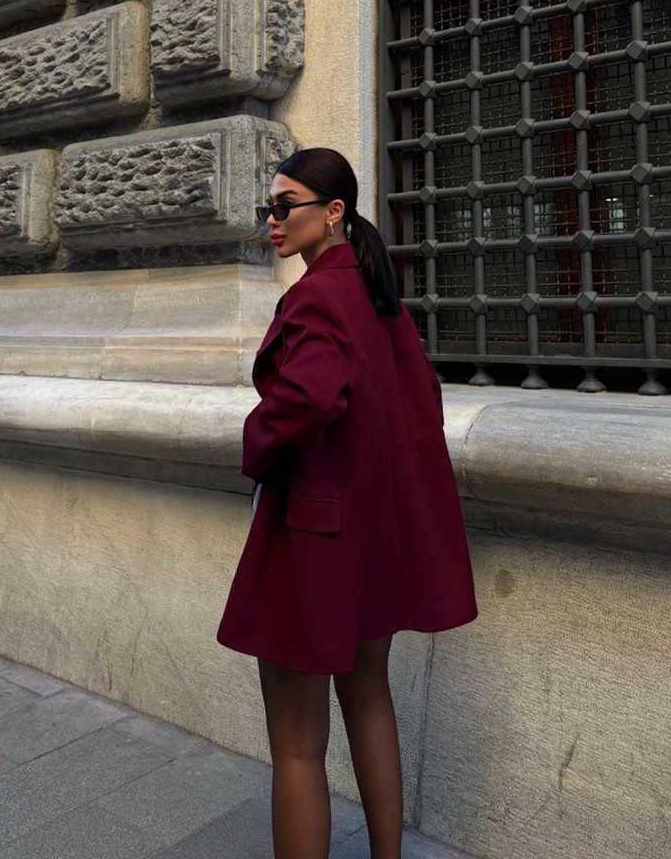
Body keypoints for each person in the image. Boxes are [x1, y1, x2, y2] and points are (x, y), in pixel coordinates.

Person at [216, 147, 478, 859]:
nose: (273, 220)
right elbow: (421, 398)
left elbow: (309, 399)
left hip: (316, 534)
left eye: (285, 205)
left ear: (333, 212)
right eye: (268, 207)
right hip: (370, 537)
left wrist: (256, 445)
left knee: (297, 748)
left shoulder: (319, 294)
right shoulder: (375, 296)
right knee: (369, 698)